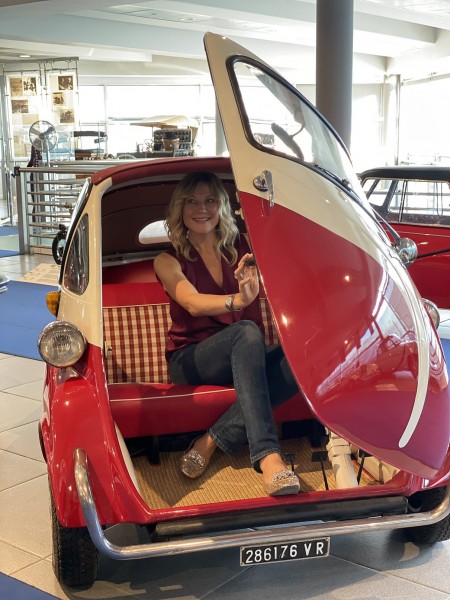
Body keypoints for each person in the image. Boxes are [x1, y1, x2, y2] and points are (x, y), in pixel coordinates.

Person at [154, 171, 300, 496]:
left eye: (210, 200)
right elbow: (191, 302)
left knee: (300, 358)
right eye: (191, 201)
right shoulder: (167, 260)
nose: (201, 209)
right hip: (191, 359)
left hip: (244, 355)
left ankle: (210, 440)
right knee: (245, 331)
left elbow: (286, 254)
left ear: (222, 206)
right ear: (180, 209)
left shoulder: (244, 248)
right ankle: (269, 457)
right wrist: (237, 300)